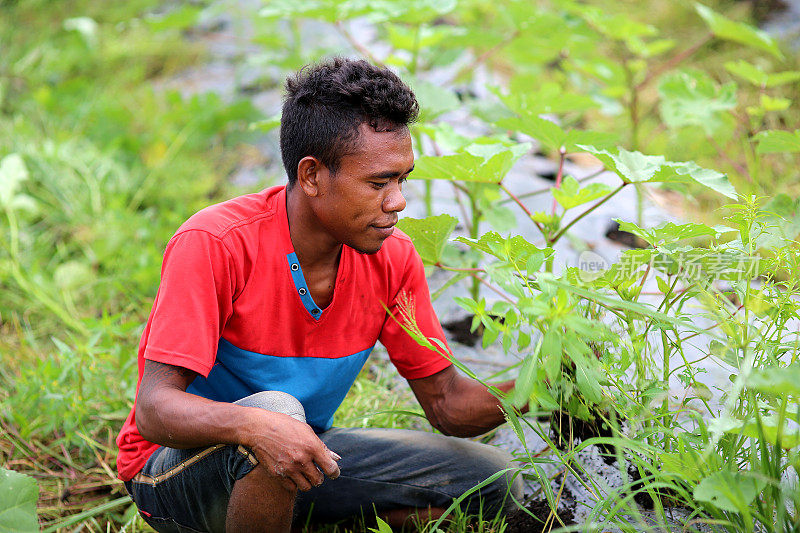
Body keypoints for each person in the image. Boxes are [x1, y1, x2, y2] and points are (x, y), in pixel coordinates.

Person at [116, 57, 523, 533]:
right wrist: (256, 426)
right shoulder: (216, 243)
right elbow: (155, 409)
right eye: (377, 183)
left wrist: (545, 386)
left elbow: (449, 405)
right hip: (173, 475)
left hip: (294, 453)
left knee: (493, 479)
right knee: (276, 413)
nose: (397, 201)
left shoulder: (392, 258)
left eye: (401, 179)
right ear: (310, 176)